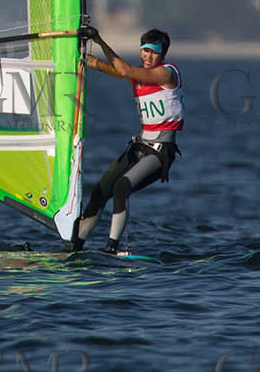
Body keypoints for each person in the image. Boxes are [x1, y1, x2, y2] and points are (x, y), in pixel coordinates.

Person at [69, 28, 183, 253]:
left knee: (122, 187)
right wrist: (86, 58)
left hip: (160, 152)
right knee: (100, 191)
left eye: (153, 52)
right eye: (145, 51)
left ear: (163, 54)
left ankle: (111, 248)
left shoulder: (167, 74)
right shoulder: (139, 75)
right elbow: (114, 70)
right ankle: (74, 247)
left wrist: (99, 40)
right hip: (140, 146)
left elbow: (124, 69)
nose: (148, 56)